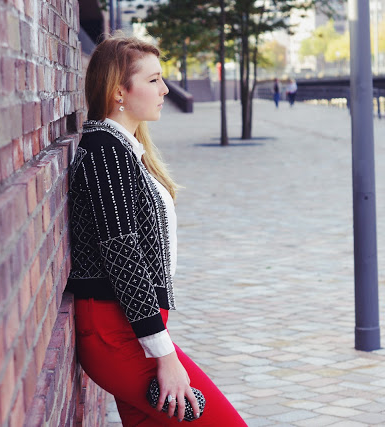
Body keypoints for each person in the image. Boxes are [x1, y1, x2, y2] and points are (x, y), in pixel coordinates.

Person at [66, 34, 247, 426]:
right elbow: (122, 253)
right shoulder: (105, 153)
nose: (165, 89)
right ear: (119, 91)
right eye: (153, 80)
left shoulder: (122, 149)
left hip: (131, 328)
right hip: (116, 333)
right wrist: (165, 356)